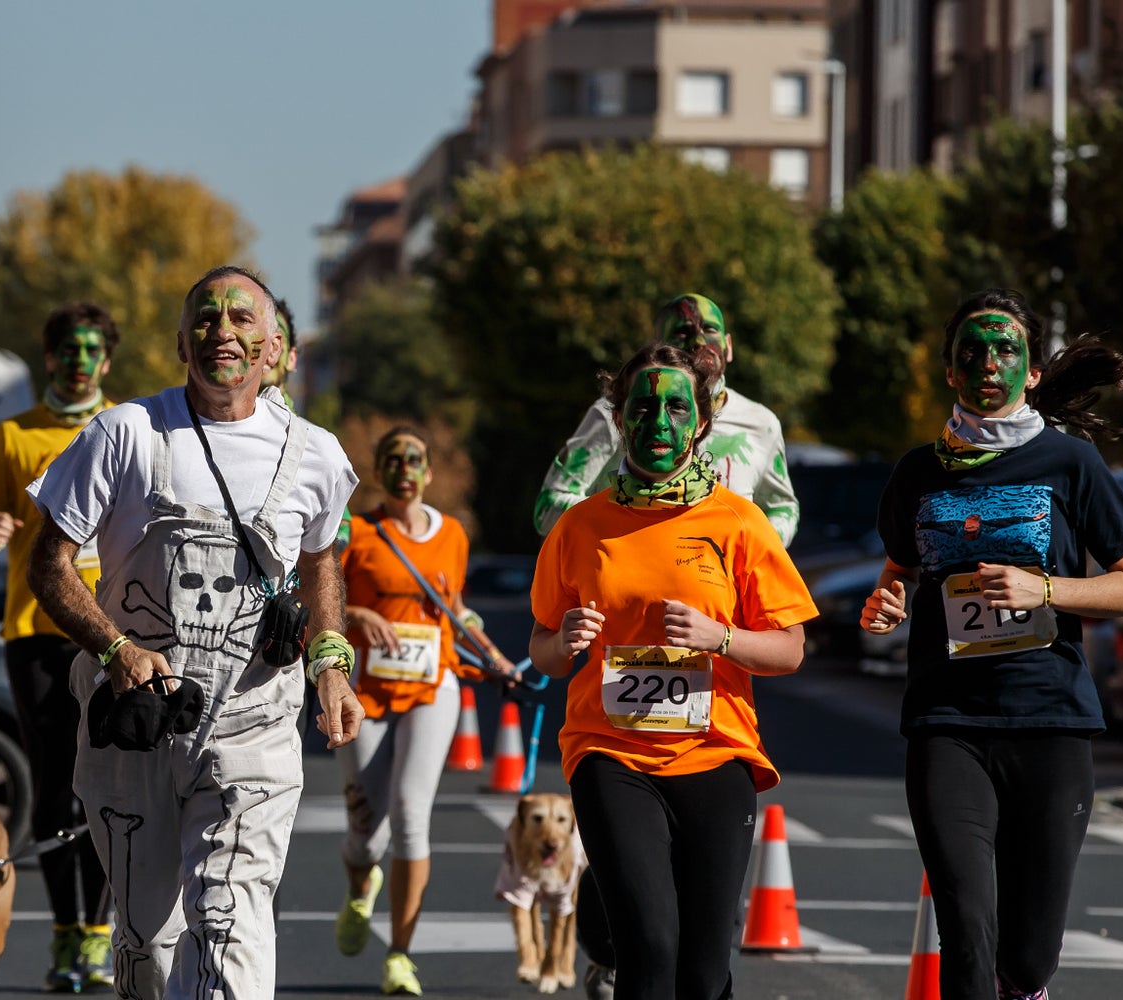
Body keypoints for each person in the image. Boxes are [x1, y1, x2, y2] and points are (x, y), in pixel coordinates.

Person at [26, 265, 362, 998]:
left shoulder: (316, 455)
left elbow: (320, 564)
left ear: (274, 348)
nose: (222, 332)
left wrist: (330, 660)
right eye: (206, 319)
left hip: (254, 723)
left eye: (242, 319)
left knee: (232, 919)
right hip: (134, 726)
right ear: (182, 341)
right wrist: (114, 648)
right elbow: (48, 565)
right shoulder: (125, 435)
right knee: (149, 941)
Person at [860, 290, 1123, 1000]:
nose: (989, 362)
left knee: (1026, 959)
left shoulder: (1070, 463)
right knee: (966, 931)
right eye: (973, 351)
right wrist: (885, 602)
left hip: (1049, 722)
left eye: (1006, 350)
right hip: (947, 723)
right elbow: (899, 571)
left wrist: (1044, 590)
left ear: (1031, 374)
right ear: (951, 372)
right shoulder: (917, 473)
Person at [528, 343, 816, 1000]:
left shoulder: (738, 522)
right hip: (611, 752)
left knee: (704, 969)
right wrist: (564, 640)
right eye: (643, 407)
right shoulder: (580, 528)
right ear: (621, 419)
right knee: (650, 949)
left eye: (675, 407)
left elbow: (791, 647)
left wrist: (722, 637)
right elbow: (543, 646)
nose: (658, 421)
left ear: (701, 423)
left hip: (715, 755)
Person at [0, 301, 122, 992]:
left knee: (111, 787)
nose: (79, 361)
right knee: (56, 788)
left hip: (117, 637)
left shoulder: (129, 430)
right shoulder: (13, 436)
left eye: (91, 350)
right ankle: (64, 933)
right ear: (49, 358)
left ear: (106, 362)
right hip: (35, 636)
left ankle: (101, 935)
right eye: (67, 350)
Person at [332, 425, 520, 995]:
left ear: (430, 473)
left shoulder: (453, 535)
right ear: (380, 471)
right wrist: (359, 617)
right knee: (368, 832)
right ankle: (360, 885)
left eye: (415, 460)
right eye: (393, 460)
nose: (405, 469)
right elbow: (318, 599)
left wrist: (494, 655)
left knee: (412, 814)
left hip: (433, 686)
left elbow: (454, 607)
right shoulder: (355, 532)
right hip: (366, 691)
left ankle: (400, 955)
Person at [533, 293, 798, 545]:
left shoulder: (761, 423)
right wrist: (623, 524)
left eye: (710, 329)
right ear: (657, 347)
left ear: (728, 346)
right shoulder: (619, 412)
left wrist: (752, 545)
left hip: (724, 587)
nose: (698, 340)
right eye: (681, 332)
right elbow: (549, 507)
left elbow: (783, 508)